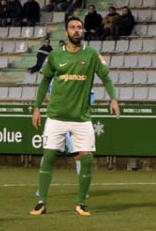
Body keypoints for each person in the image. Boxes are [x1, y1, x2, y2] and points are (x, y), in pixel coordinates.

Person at [30, 16, 120, 216]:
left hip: (81, 118)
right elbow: (44, 81)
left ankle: (81, 203)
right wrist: (36, 108)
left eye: (79, 27)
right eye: (73, 28)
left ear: (83, 31)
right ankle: (41, 202)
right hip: (56, 116)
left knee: (87, 160)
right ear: (66, 32)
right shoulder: (55, 56)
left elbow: (106, 77)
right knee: (48, 156)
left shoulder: (91, 55)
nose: (76, 30)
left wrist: (113, 98)